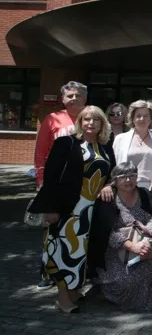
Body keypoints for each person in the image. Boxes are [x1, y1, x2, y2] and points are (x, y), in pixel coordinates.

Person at [28, 105, 115, 312]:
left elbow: (111, 173)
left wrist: (109, 185)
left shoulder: (105, 147)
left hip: (92, 212)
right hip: (68, 210)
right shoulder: (66, 143)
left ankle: (74, 290)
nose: (90, 123)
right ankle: (63, 298)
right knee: (63, 252)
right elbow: (51, 178)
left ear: (102, 124)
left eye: (95, 120)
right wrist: (50, 208)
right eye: (86, 119)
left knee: (82, 254)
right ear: (80, 122)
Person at [89, 163, 152, 311]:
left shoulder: (145, 194)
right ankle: (107, 294)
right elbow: (105, 231)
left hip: (146, 243)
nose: (128, 180)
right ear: (115, 180)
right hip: (117, 250)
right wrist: (131, 245)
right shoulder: (107, 199)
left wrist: (146, 237)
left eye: (132, 176)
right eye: (123, 177)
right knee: (126, 280)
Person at [34, 81, 87, 189]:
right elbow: (40, 152)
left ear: (85, 99)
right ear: (63, 99)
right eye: (70, 96)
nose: (74, 98)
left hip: (86, 176)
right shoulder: (52, 119)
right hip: (56, 175)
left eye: (78, 95)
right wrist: (40, 179)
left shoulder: (92, 118)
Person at [111, 100, 152, 191]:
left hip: (151, 190)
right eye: (138, 116)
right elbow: (114, 166)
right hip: (126, 189)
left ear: (151, 119)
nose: (142, 119)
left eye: (146, 116)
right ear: (132, 118)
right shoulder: (120, 139)